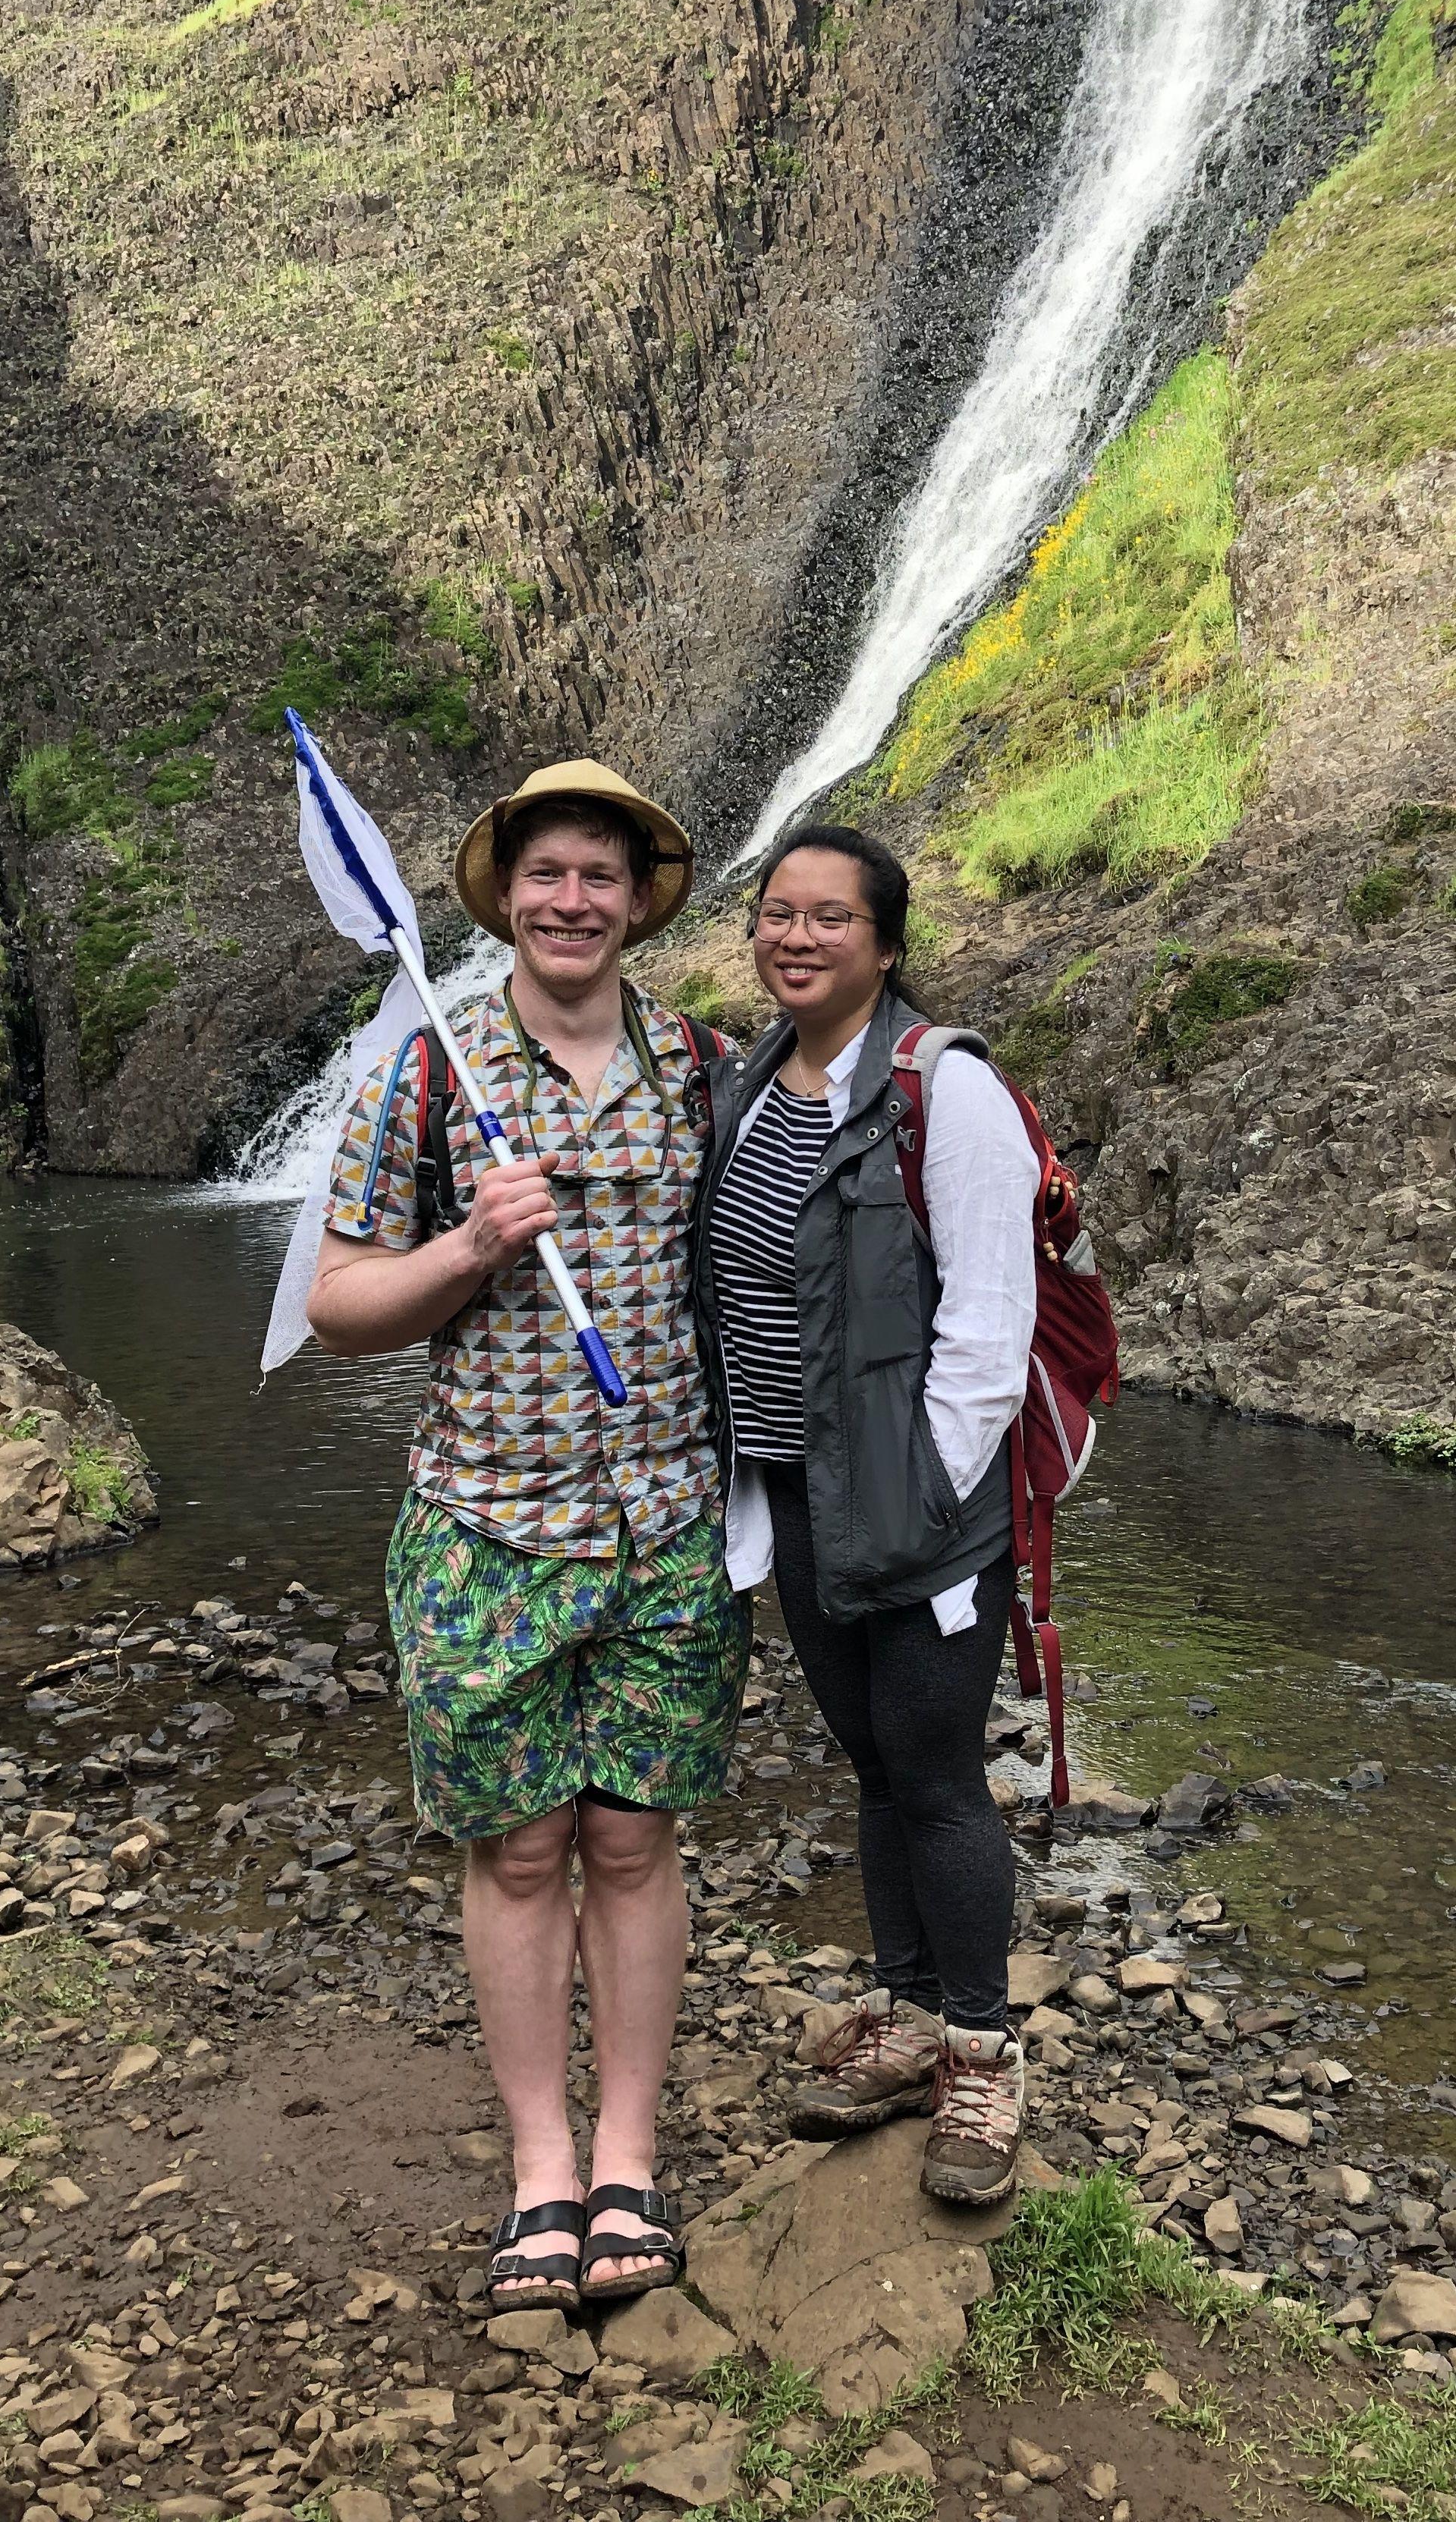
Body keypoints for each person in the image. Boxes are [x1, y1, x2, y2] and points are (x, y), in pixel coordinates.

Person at [306, 759, 744, 2312]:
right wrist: (470, 1247)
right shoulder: (428, 1071)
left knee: (633, 1841)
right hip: (487, 1529)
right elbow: (341, 1308)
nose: (573, 900)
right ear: (507, 896)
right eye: (546, 874)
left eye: (600, 878)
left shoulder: (703, 1070)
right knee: (520, 1849)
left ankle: (628, 2159)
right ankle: (541, 2171)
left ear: (638, 902)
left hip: (670, 1533)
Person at [692, 823, 1039, 2204]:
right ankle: (901, 2015)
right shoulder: (745, 1092)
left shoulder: (943, 1091)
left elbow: (989, 1324)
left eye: (828, 916)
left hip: (917, 1510)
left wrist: (933, 1496)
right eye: (776, 912)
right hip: (798, 1495)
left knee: (939, 1770)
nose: (794, 936)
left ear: (884, 944)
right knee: (877, 1769)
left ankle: (982, 2052)